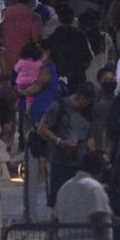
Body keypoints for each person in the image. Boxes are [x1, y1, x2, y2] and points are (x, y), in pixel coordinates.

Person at [36, 82, 97, 210]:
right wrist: (59, 142)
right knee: (59, 201)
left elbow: (90, 137)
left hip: (80, 163)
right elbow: (42, 129)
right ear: (81, 98)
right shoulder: (60, 107)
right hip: (60, 162)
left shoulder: (88, 112)